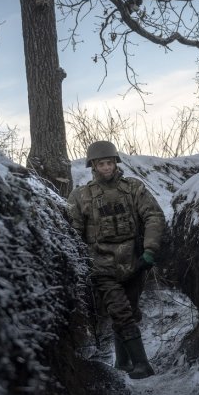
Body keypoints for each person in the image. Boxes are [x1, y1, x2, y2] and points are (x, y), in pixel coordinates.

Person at [67, 140, 167, 379]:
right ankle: (142, 365)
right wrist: (81, 265)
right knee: (120, 313)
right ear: (94, 166)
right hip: (102, 267)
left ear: (115, 163)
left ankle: (123, 362)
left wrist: (149, 251)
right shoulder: (81, 196)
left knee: (129, 313)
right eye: (102, 164)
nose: (107, 168)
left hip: (133, 264)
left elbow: (154, 216)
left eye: (110, 162)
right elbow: (74, 233)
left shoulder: (133, 188)